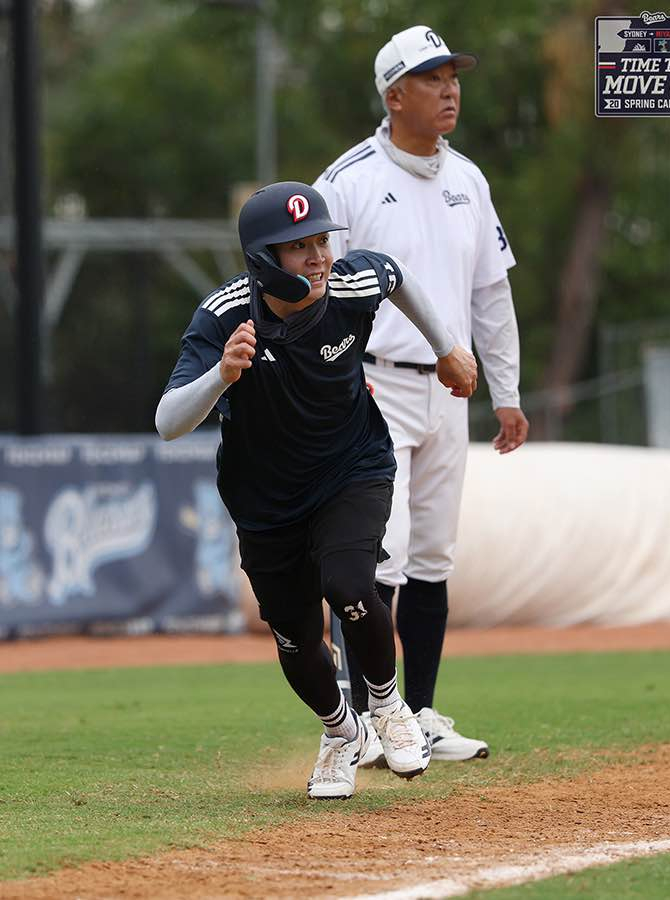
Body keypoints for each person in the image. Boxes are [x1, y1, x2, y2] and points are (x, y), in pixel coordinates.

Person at [155, 181, 478, 799]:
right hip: (266, 501)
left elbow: (396, 275)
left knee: (350, 584)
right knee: (297, 635)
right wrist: (222, 376)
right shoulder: (224, 316)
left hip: (352, 468)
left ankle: (387, 706)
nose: (320, 257)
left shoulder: (348, 284)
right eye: (299, 247)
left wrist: (446, 349)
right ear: (263, 262)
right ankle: (340, 732)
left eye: (322, 241)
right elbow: (169, 422)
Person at [314, 25, 529, 765]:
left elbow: (490, 294)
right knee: (383, 553)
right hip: (372, 386)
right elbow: (314, 292)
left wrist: (508, 389)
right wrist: (328, 381)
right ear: (393, 93)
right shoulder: (347, 180)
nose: (450, 89)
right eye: (432, 78)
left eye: (453, 76)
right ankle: (368, 717)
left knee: (435, 555)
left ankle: (424, 710)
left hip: (451, 392)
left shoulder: (469, 179)